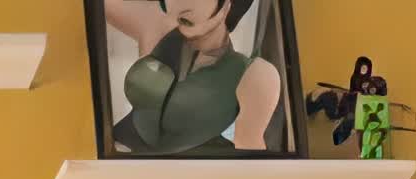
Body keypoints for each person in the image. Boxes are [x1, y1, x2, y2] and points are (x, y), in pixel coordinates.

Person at [104, 0, 284, 155]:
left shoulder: (254, 73)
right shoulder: (160, 26)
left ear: (226, 6)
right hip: (109, 161)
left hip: (181, 176)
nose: (181, 5)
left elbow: (250, 155)